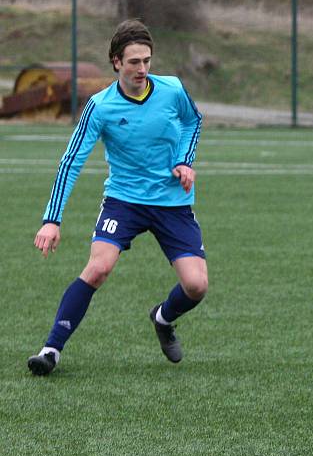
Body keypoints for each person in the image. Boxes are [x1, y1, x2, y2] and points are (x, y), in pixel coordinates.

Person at [27, 19, 206, 376]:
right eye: (134, 62)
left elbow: (193, 121)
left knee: (196, 286)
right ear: (116, 63)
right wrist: (52, 219)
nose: (142, 69)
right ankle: (51, 350)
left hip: (172, 202)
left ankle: (162, 317)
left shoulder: (171, 90)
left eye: (147, 61)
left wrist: (185, 161)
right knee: (98, 268)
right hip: (124, 201)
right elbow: (70, 162)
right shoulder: (100, 106)